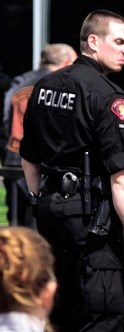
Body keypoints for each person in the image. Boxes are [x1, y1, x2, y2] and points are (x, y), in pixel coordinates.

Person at [20, 10, 124, 332]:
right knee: (101, 316)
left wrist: (38, 200)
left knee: (59, 312)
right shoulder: (107, 95)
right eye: (119, 42)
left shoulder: (43, 88)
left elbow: (28, 157)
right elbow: (122, 178)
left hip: (51, 217)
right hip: (94, 225)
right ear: (93, 42)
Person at [0, 43, 77, 226]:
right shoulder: (60, 85)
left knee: (17, 225)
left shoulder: (19, 82)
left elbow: (5, 121)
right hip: (44, 166)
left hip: (13, 160)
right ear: (66, 63)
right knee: (42, 225)